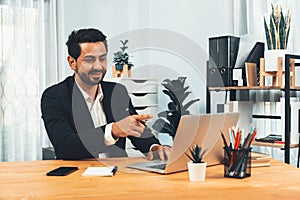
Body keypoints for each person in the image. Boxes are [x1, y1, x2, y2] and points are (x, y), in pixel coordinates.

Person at [41, 28, 170, 160]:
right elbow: (65, 147)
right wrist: (113, 130)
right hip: (79, 175)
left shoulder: (117, 92)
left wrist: (153, 147)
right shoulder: (54, 96)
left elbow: (134, 127)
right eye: (90, 60)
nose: (98, 66)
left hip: (118, 173)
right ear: (72, 62)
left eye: (102, 59)